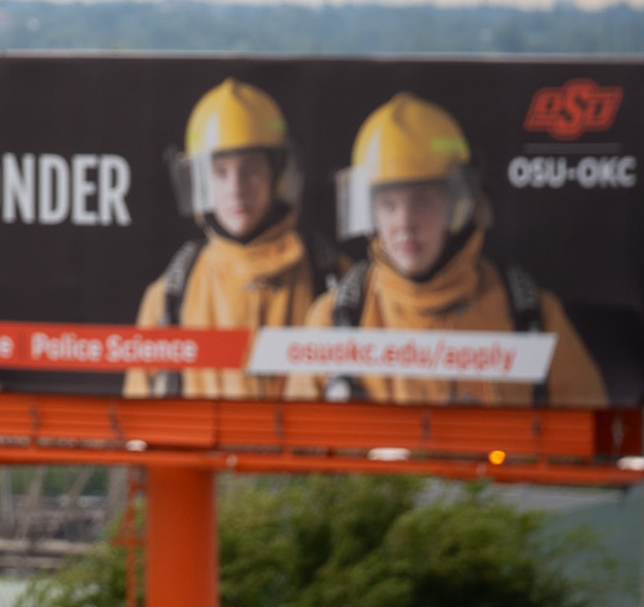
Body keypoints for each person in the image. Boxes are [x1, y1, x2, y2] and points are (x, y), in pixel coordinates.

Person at [297, 92, 604, 406]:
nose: (404, 224)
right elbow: (299, 440)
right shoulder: (332, 321)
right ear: (370, 211)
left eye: (421, 202)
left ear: (457, 202)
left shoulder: (534, 316)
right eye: (388, 205)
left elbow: (591, 437)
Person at [125, 79, 340, 399]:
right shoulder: (168, 296)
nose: (236, 188)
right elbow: (140, 419)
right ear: (198, 180)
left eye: (250, 169)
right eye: (220, 172)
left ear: (277, 173)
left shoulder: (336, 285)